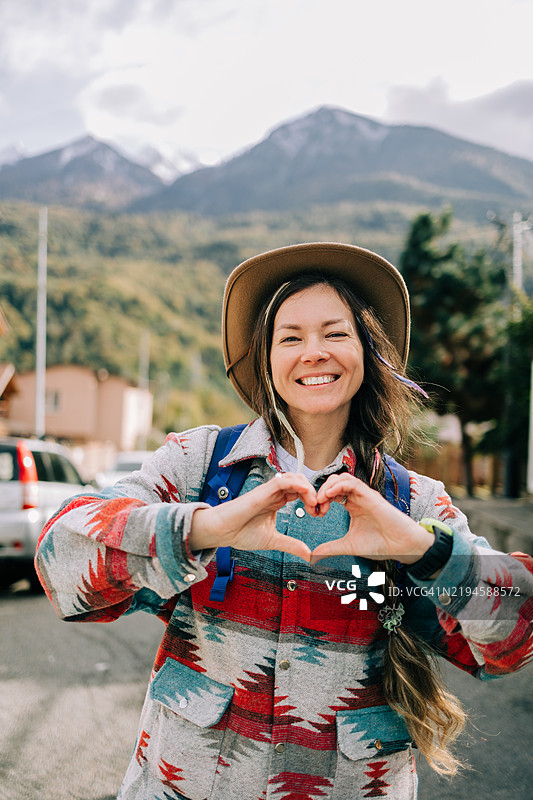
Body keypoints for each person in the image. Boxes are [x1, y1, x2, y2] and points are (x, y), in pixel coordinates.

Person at [36, 242, 533, 800]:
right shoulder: (199, 464)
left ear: (368, 352)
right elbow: (61, 563)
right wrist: (204, 528)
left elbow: (514, 641)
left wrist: (425, 550)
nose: (313, 352)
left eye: (335, 333)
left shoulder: (413, 500)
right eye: (290, 337)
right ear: (266, 359)